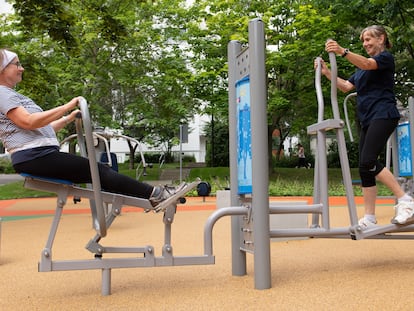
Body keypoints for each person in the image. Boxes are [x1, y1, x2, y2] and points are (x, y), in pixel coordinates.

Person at [0, 48, 184, 211]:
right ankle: (155, 194)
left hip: (37, 154)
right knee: (98, 172)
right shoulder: (2, 93)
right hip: (34, 157)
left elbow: (42, 129)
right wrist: (66, 106)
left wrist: (68, 118)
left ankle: (148, 195)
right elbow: (29, 122)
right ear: (2, 69)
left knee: (98, 172)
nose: (21, 68)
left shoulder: (10, 95)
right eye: (16, 64)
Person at [314, 25, 414, 229]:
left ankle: (406, 201)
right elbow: (345, 87)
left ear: (381, 39)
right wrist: (326, 72)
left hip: (384, 114)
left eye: (369, 39)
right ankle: (369, 217)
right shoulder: (360, 71)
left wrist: (343, 52)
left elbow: (369, 64)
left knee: (368, 160)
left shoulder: (385, 58)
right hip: (367, 118)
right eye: (363, 41)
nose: (366, 43)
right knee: (364, 167)